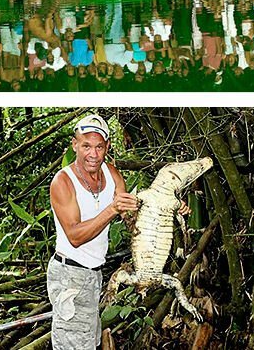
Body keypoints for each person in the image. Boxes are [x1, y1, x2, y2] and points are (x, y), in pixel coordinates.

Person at [49, 115, 164, 349]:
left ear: (107, 147)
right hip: (69, 274)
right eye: (86, 146)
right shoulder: (63, 182)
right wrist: (112, 208)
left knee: (89, 343)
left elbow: (131, 218)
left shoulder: (111, 174)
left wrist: (167, 208)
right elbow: (75, 236)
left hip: (94, 275)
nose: (93, 154)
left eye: (99, 147)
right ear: (75, 145)